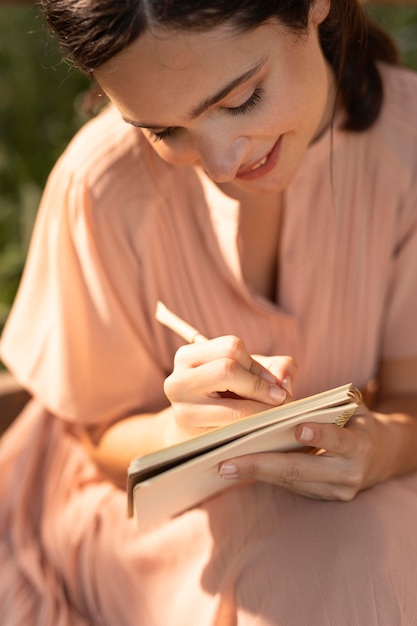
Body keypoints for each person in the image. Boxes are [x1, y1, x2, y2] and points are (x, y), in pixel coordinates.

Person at [1, 0, 417, 624]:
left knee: (361, 564)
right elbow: (97, 440)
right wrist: (180, 432)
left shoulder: (404, 150)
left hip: (357, 496)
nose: (222, 164)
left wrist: (379, 449)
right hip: (144, 515)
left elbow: (410, 397)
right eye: (165, 131)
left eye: (242, 99)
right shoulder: (103, 188)